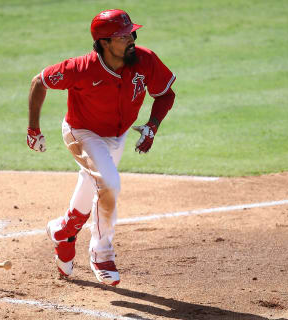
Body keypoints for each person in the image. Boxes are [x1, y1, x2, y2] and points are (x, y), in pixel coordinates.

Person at [27, 9, 176, 286]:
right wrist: (33, 128)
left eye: (132, 33)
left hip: (116, 136)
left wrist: (152, 125)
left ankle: (63, 231)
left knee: (95, 182)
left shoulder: (145, 60)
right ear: (104, 42)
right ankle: (101, 252)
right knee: (109, 183)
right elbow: (40, 81)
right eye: (123, 36)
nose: (132, 39)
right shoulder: (80, 68)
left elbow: (166, 94)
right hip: (82, 132)